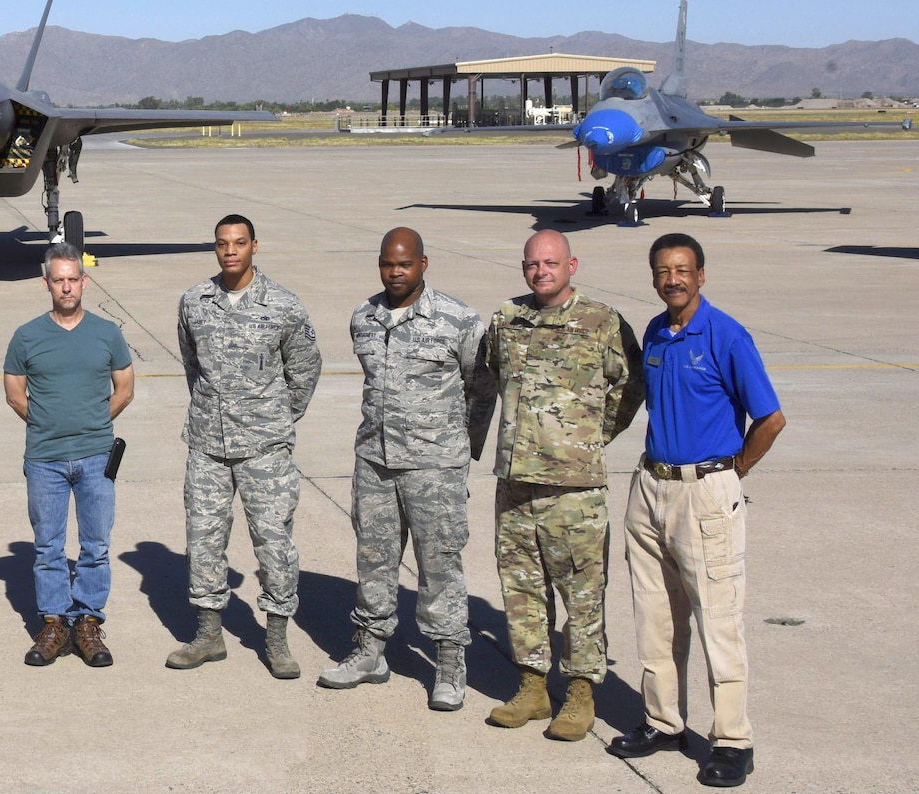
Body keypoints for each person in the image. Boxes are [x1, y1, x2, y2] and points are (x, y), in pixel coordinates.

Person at [611, 233, 784, 788]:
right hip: (651, 489)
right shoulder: (657, 332)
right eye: (663, 271)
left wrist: (735, 471)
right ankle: (664, 722)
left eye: (683, 270)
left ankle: (733, 740)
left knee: (719, 620)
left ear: (702, 275)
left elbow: (771, 420)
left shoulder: (727, 336)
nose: (673, 280)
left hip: (705, 493)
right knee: (655, 618)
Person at [321, 227, 495, 707]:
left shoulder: (457, 320)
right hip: (375, 463)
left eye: (405, 263)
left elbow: (481, 389)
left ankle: (450, 662)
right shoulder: (364, 317)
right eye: (387, 264)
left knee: (439, 565)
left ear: (423, 263)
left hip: (434, 467)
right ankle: (370, 651)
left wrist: (461, 451)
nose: (395, 272)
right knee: (373, 561)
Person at [482, 229, 644, 737]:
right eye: (532, 263)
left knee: (582, 594)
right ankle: (532, 686)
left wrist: (589, 438)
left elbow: (631, 385)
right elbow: (490, 378)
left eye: (551, 262)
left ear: (572, 265)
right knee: (521, 590)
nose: (540, 271)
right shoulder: (506, 320)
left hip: (574, 489)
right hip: (515, 484)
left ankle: (579, 693)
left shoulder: (602, 321)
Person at [168, 213, 322, 676]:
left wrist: (273, 418)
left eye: (239, 242)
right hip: (208, 446)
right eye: (222, 243)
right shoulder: (195, 302)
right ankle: (209, 634)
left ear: (255, 246)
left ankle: (276, 638)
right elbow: (193, 366)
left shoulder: (283, 306)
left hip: (265, 448)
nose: (230, 250)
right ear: (215, 248)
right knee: (203, 539)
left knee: (274, 542)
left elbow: (305, 370)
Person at [3, 243, 136, 667]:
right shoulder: (26, 335)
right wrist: (46, 424)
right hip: (45, 459)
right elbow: (14, 392)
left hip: (97, 455)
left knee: (96, 545)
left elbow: (125, 388)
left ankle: (88, 622)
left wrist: (95, 422)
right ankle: (55, 622)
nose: (66, 287)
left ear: (84, 282)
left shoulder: (107, 333)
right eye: (58, 279)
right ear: (47, 283)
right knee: (48, 547)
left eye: (72, 279)